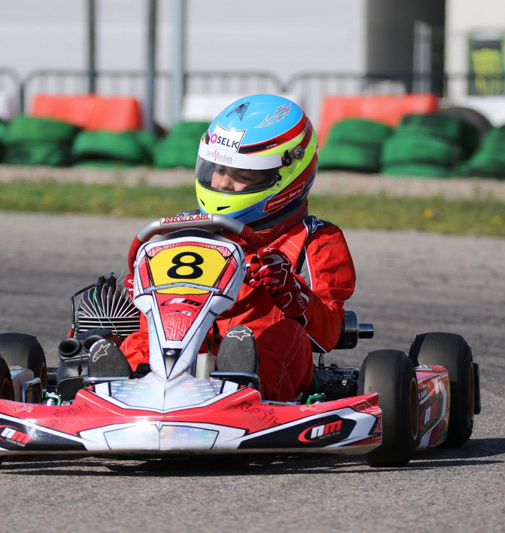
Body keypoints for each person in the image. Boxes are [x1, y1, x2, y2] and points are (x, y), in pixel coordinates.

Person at [102, 94, 357, 402]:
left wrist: (292, 291)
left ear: (288, 178)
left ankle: (242, 387)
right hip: (179, 341)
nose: (223, 184)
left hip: (260, 352)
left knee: (286, 338)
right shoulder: (177, 229)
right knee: (140, 338)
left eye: (242, 175)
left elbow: (327, 334)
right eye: (219, 170)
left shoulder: (315, 239)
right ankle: (121, 385)